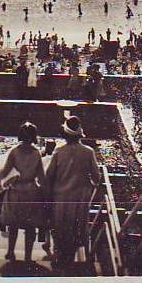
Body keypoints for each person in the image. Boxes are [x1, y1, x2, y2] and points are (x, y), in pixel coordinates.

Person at [44, 116, 100, 273]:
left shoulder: (58, 151)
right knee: (77, 229)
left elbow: (49, 175)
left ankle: (59, 260)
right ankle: (72, 263)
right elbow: (96, 177)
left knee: (60, 228)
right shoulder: (88, 152)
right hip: (80, 198)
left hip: (61, 197)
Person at [0, 122, 46, 262]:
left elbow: (4, 171)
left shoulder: (14, 151)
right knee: (30, 226)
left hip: (16, 191)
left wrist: (1, 185)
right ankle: (28, 256)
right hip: (31, 192)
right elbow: (41, 176)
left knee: (14, 224)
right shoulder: (36, 153)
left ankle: (11, 251)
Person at [39, 140, 58, 257]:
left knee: (46, 217)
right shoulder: (58, 160)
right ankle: (55, 243)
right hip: (57, 193)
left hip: (45, 193)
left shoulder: (43, 160)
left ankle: (47, 241)